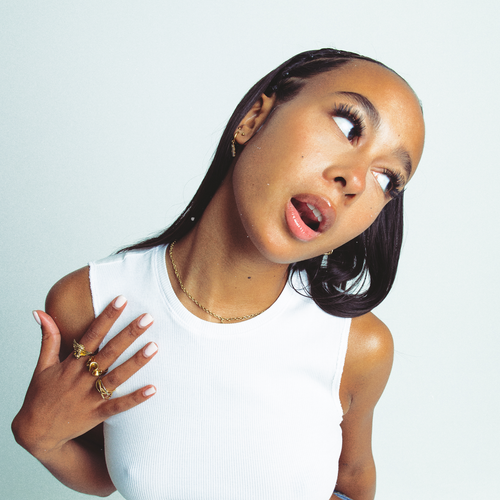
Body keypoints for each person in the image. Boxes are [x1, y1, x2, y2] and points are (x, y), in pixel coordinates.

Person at [12, 48, 425, 500]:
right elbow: (110, 473)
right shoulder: (90, 304)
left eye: (387, 179)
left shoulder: (358, 348)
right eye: (347, 127)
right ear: (253, 119)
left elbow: (352, 479)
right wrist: (40, 441)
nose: (358, 181)